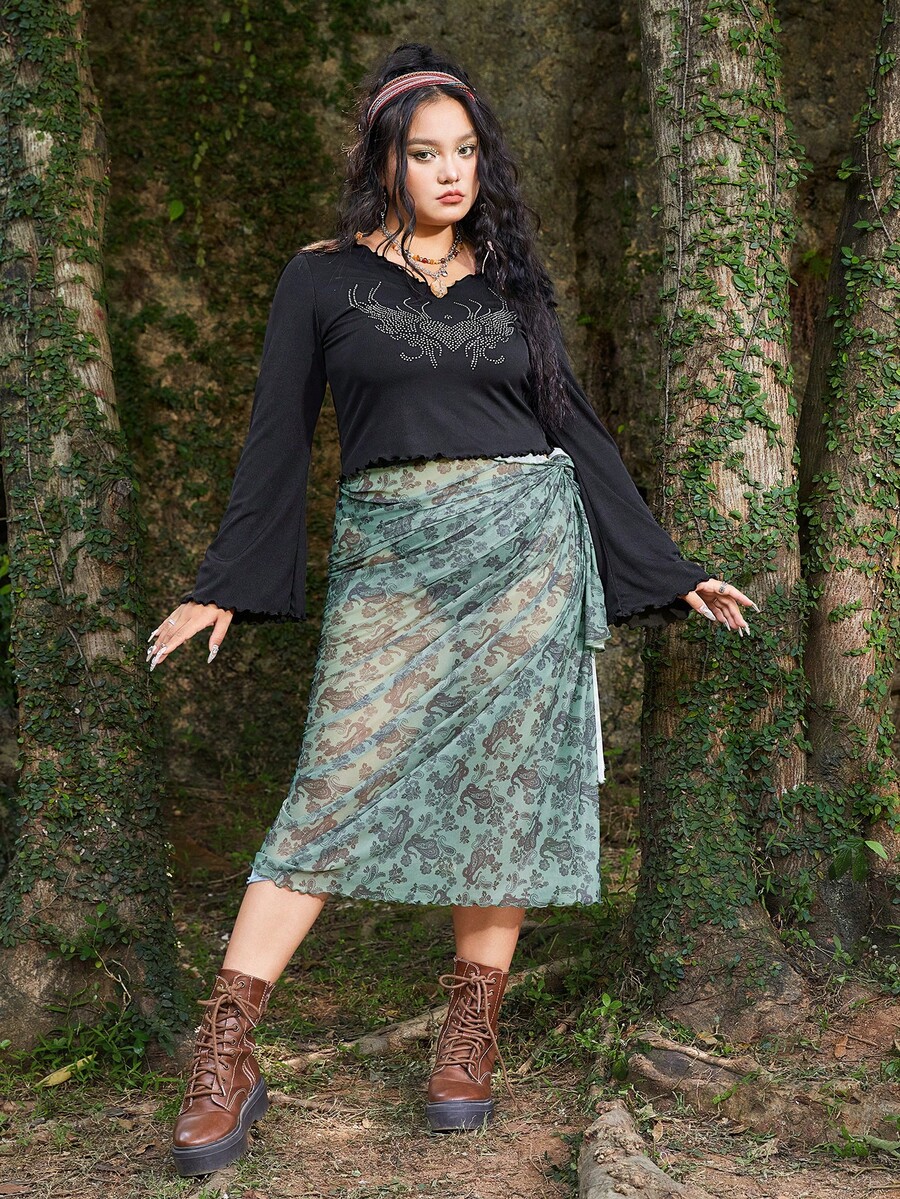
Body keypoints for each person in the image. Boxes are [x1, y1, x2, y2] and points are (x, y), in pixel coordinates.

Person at [148, 43, 758, 1179]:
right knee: (333, 779)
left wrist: (663, 567)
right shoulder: (320, 279)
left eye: (467, 151)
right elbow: (278, 437)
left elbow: (571, 426)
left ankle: (468, 1034)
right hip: (393, 557)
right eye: (426, 152)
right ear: (383, 159)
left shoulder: (512, 281)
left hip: (527, 552)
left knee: (502, 784)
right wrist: (223, 580)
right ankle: (225, 1050)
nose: (450, 172)